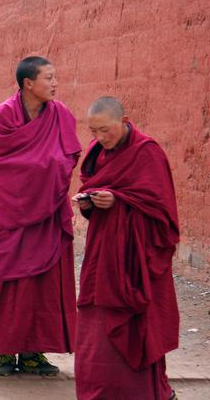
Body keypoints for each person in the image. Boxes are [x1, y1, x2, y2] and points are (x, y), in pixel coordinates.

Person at [0, 56, 81, 376]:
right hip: (5, 216)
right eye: (48, 78)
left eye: (55, 77)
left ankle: (33, 352)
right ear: (28, 84)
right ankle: (4, 352)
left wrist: (46, 175)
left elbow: (68, 157)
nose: (55, 84)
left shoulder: (61, 115)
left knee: (40, 283)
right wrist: (39, 171)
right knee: (3, 278)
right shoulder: (2, 116)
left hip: (47, 214)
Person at [73, 97, 179, 400]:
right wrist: (90, 202)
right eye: (93, 132)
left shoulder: (147, 153)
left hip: (136, 258)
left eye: (105, 130)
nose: (100, 138)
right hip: (102, 251)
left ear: (124, 120)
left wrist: (119, 201)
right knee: (97, 318)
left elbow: (163, 212)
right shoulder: (96, 153)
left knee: (139, 322)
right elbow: (89, 184)